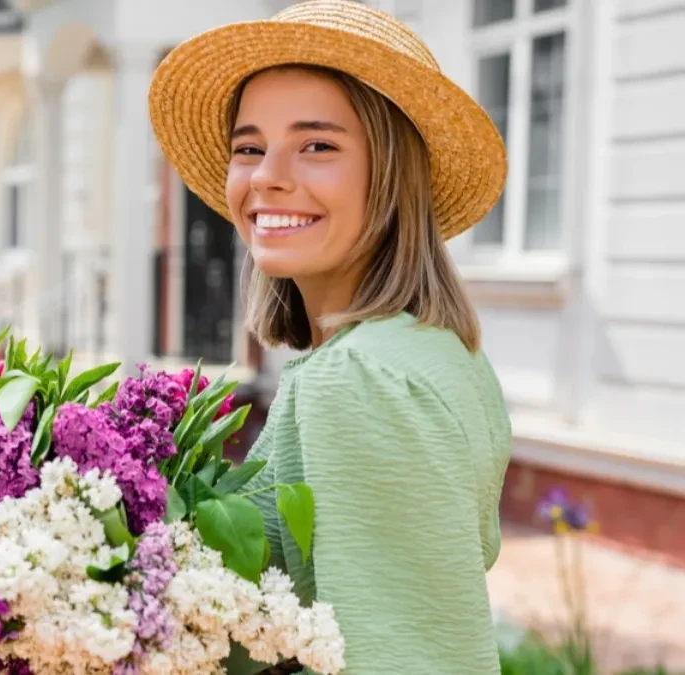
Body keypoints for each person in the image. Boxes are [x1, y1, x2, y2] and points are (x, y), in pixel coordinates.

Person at [147, 1, 513, 673]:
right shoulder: (433, 350)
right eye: (249, 147)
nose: (266, 176)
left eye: (317, 145)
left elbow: (403, 655)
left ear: (393, 178)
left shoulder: (361, 378)